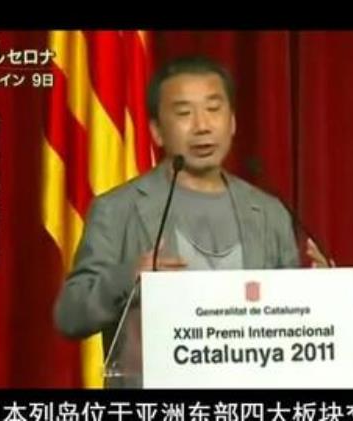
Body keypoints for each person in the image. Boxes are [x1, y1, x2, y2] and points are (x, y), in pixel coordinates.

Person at [53, 55, 332, 356]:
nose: (202, 126)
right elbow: (69, 316)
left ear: (232, 122)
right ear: (157, 131)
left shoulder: (269, 212)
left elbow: (287, 323)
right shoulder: (117, 209)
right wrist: (127, 276)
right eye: (184, 113)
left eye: (213, 109)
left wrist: (320, 293)